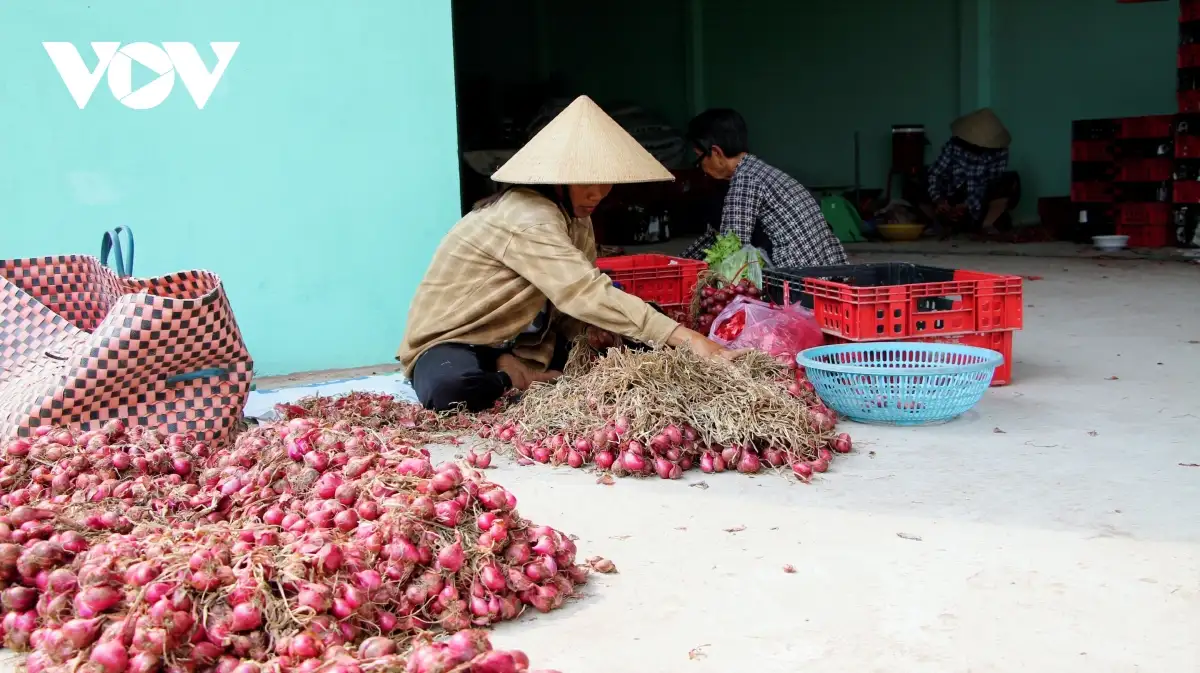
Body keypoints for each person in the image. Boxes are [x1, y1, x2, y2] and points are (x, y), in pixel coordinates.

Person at [398, 95, 744, 412]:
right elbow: (581, 292)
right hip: (459, 341)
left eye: (605, 182)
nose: (597, 194)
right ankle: (513, 375)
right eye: (586, 182)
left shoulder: (575, 218)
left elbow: (574, 300)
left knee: (638, 333)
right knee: (453, 390)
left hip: (520, 339)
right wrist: (692, 340)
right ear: (556, 179)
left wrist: (598, 329)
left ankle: (510, 364)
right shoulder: (527, 216)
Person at [681, 108, 848, 268]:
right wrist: (680, 262)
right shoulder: (759, 171)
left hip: (801, 279)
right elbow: (715, 235)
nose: (700, 165)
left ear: (716, 153)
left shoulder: (745, 180)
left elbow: (730, 249)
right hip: (828, 270)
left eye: (698, 157)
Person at [923, 108, 1021, 236]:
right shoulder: (954, 146)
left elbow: (988, 183)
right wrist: (939, 200)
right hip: (952, 197)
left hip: (979, 205)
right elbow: (936, 173)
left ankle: (987, 225)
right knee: (917, 179)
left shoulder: (999, 152)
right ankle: (938, 223)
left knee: (1010, 181)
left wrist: (967, 205)